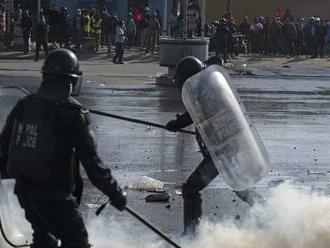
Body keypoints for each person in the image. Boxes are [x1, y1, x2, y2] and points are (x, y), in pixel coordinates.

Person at [0, 49, 127, 247]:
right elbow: (92, 164)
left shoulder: (25, 105)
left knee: (44, 241)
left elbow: (3, 148)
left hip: (25, 192)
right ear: (71, 80)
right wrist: (116, 193)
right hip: (55, 197)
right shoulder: (71, 114)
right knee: (76, 242)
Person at [166, 56, 262, 234]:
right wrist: (178, 123)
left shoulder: (204, 93)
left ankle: (192, 234)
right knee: (240, 187)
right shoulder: (209, 88)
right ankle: (270, 214)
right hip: (226, 148)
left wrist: (177, 124)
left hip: (221, 151)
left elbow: (197, 114)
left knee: (190, 189)